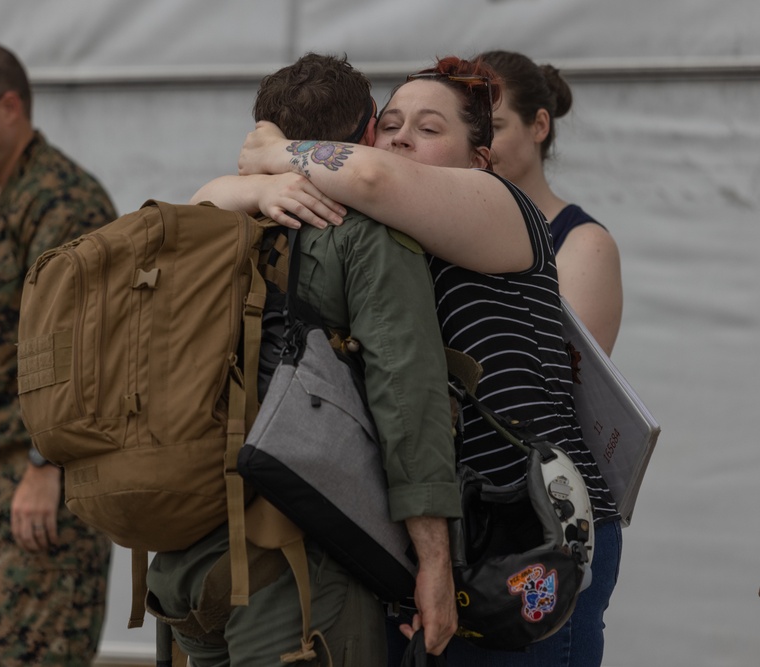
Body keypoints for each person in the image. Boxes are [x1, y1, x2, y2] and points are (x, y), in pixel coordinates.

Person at [204, 55, 622, 667]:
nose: (402, 136)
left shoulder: (499, 202)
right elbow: (198, 208)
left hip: (531, 529)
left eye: (429, 129)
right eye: (392, 122)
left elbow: (371, 177)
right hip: (448, 530)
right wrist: (254, 187)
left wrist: (277, 148)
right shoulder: (373, 230)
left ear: (479, 157)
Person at [148, 53, 462, 666]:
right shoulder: (364, 234)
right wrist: (434, 561)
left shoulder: (206, 225)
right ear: (370, 130)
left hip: (184, 558)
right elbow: (407, 397)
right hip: (294, 562)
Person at [0, 40, 116, 666]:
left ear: (8, 107)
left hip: (39, 505)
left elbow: (90, 350)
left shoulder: (65, 203)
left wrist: (44, 466)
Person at [481, 49, 623, 355]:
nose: (479, 143)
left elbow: (575, 381)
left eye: (494, 127)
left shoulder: (585, 243)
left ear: (540, 126)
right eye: (469, 127)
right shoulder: (445, 223)